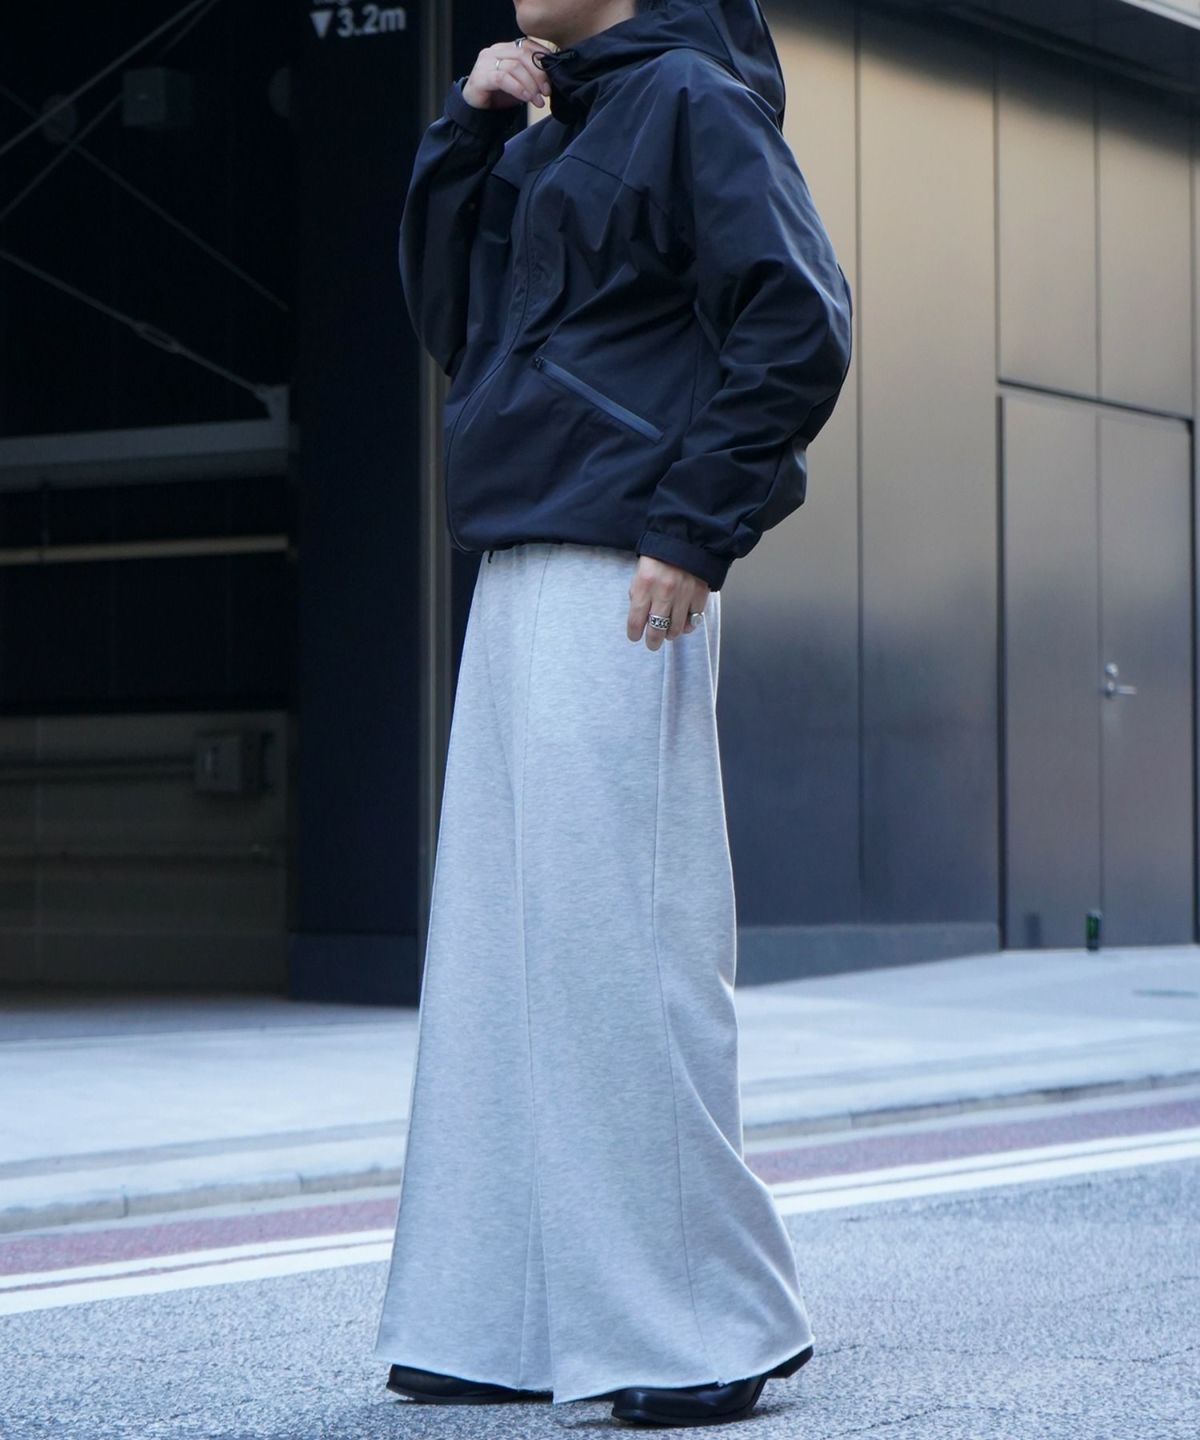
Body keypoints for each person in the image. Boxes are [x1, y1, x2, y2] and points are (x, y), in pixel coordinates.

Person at [373, 0, 853, 1427]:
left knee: (621, 946)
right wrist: (466, 134)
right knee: (505, 956)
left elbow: (801, 317)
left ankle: (704, 1327)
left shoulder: (695, 100)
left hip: (626, 565)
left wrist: (696, 526)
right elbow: (454, 323)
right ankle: (498, 1316)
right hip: (521, 554)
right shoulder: (544, 128)